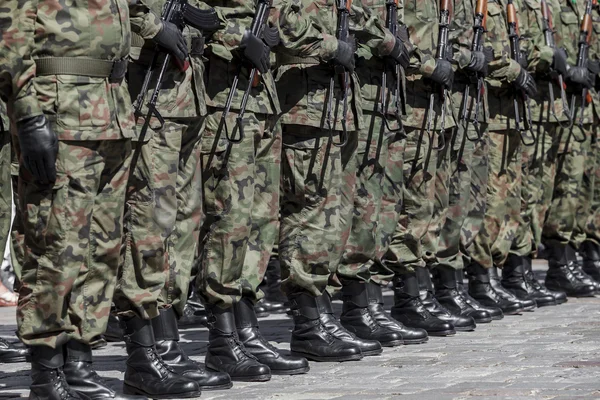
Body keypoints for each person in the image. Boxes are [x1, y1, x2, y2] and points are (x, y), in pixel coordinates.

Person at [0, 0, 148, 398]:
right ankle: (46, 371)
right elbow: (9, 38)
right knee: (56, 247)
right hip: (60, 113)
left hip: (112, 110)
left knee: (102, 246)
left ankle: (81, 359)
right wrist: (28, 116)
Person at [195, 0, 347, 381]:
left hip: (263, 98)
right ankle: (223, 338)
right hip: (224, 95)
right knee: (229, 219)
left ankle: (248, 330)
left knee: (260, 222)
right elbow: (190, 15)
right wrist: (239, 38)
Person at [111, 0, 230, 397]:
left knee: (184, 222)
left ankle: (170, 341)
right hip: (151, 90)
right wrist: (153, 26)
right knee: (149, 223)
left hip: (187, 92)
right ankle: (144, 353)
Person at [332, 0, 429, 346]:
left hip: (389, 101)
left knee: (384, 211)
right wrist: (389, 42)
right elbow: (347, 14)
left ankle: (371, 306)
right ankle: (356, 309)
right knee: (363, 208)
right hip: (365, 98)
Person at [464, 0, 536, 315]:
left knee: (509, 201)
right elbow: (481, 50)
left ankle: (495, 275)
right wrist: (513, 69)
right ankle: (481, 279)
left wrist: (532, 58)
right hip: (489, 114)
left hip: (510, 114)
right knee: (488, 201)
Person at [503, 0, 570, 306]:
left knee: (539, 193)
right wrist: (549, 56)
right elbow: (520, 45)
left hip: (546, 108)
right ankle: (514, 274)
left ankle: (525, 272)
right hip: (523, 106)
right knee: (522, 194)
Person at [540, 0, 598, 297]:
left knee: (579, 190)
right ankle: (559, 266)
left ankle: (571, 260)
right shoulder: (550, 4)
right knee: (562, 189)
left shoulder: (585, 8)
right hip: (559, 106)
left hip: (584, 109)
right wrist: (568, 69)